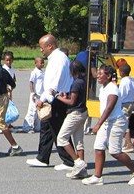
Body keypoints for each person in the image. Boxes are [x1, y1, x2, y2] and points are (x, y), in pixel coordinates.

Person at [82, 65, 134, 186]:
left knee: (115, 151)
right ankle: (97, 176)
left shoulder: (113, 89)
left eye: (101, 74)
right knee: (99, 147)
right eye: (98, 74)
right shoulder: (103, 88)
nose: (98, 76)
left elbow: (109, 107)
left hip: (116, 122)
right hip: (106, 122)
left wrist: (98, 124)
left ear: (109, 76)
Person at [26, 34, 74, 169]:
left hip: (57, 99)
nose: (41, 50)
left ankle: (69, 160)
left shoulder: (58, 59)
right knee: (46, 128)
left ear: (50, 46)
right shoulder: (57, 58)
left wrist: (42, 99)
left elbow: (54, 83)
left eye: (42, 47)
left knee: (58, 130)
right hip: (56, 97)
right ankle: (42, 158)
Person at [57, 60, 89, 179]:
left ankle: (78, 162)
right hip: (83, 111)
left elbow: (72, 102)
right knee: (78, 141)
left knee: (62, 138)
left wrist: (58, 96)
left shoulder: (75, 83)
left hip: (75, 113)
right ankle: (82, 170)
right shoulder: (83, 81)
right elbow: (76, 97)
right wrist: (68, 95)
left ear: (72, 71)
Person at [118, 63, 134, 153]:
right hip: (131, 103)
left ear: (122, 72)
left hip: (124, 104)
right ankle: (125, 144)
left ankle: (129, 144)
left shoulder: (123, 81)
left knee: (124, 124)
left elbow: (121, 94)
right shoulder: (132, 80)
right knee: (126, 122)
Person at [76, 45, 99, 135]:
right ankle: (86, 127)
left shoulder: (79, 54)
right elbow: (94, 74)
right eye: (97, 51)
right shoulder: (91, 59)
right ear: (93, 50)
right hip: (87, 85)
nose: (97, 53)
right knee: (89, 104)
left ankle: (79, 125)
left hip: (77, 83)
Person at [22, 57, 44, 133]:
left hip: (41, 95)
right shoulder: (34, 72)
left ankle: (37, 126)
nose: (42, 64)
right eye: (40, 62)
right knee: (32, 111)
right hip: (35, 94)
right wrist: (32, 93)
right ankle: (27, 127)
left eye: (43, 62)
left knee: (39, 111)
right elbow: (31, 83)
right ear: (36, 63)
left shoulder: (42, 72)